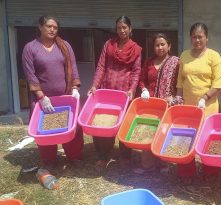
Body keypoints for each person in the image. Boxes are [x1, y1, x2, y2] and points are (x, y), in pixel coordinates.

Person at [22, 15, 84, 170]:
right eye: (49, 26)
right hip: (43, 99)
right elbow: (30, 74)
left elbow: (73, 67)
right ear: (40, 27)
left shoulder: (64, 46)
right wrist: (41, 97)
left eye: (55, 27)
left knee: (72, 127)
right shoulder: (30, 48)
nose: (52, 30)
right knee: (45, 130)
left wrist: (75, 88)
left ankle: (74, 156)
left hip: (65, 97)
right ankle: (49, 159)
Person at [87, 16, 142, 169]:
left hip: (124, 94)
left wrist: (132, 89)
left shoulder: (135, 49)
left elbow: (136, 71)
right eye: (119, 28)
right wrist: (94, 86)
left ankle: (124, 156)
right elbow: (101, 66)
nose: (122, 30)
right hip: (107, 91)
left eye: (125, 27)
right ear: (116, 29)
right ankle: (103, 156)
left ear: (130, 29)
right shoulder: (109, 44)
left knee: (125, 125)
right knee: (103, 123)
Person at [176, 22, 221, 184]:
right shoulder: (184, 55)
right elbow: (180, 81)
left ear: (207, 38)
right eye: (194, 37)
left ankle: (210, 172)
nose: (197, 40)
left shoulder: (214, 56)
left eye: (200, 36)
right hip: (188, 107)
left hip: (208, 107)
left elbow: (217, 84)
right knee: (186, 139)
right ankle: (186, 172)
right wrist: (178, 99)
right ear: (190, 38)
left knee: (208, 140)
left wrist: (204, 98)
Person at [136, 33, 180, 173]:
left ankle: (162, 164)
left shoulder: (176, 62)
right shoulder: (149, 62)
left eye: (163, 44)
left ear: (169, 46)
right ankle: (147, 164)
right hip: (150, 105)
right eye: (157, 45)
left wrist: (173, 97)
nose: (160, 47)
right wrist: (143, 89)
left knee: (163, 133)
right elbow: (141, 79)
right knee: (149, 131)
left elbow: (180, 82)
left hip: (167, 104)